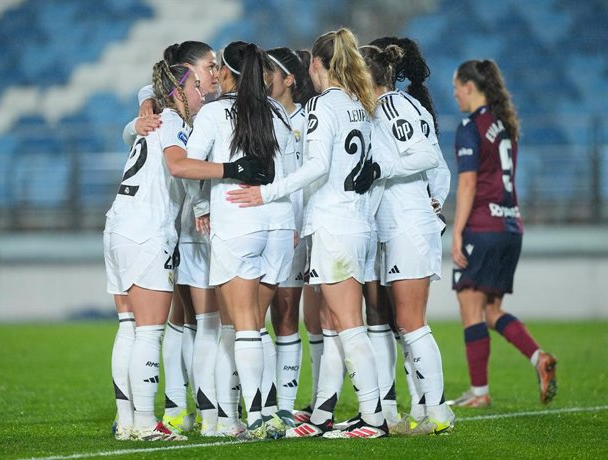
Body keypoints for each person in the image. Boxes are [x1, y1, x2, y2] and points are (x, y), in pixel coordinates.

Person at [228, 28, 388, 440]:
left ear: (315, 65)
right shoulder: (360, 103)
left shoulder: (323, 106)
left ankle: (373, 418)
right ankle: (322, 416)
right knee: (335, 324)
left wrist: (268, 191)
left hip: (335, 224)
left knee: (348, 324)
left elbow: (316, 167)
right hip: (357, 223)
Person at [168, 40, 297, 440]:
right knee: (257, 328)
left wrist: (213, 188)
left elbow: (184, 166)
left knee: (241, 329)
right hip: (279, 223)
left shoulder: (215, 112)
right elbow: (294, 170)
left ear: (226, 74)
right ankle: (270, 412)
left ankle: (253, 417)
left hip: (239, 222)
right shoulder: (277, 110)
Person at [117, 41, 222, 436]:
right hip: (151, 229)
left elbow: (142, 113)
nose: (213, 74)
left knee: (130, 325)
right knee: (153, 329)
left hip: (121, 223)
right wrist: (232, 169)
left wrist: (143, 107)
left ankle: (127, 420)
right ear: (185, 80)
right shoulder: (176, 120)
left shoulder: (158, 112)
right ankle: (148, 421)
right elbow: (179, 165)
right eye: (206, 70)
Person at [354, 43, 453, 435]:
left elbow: (426, 154)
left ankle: (439, 412)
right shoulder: (385, 108)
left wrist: (382, 167)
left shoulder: (393, 107)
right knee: (400, 323)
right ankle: (416, 409)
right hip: (396, 224)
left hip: (407, 225)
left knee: (411, 323)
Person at [449, 59, 557, 407]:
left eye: (456, 87)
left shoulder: (470, 127)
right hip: (511, 226)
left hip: (482, 227)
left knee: (469, 304)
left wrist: (457, 231)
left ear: (469, 86)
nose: (454, 94)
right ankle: (538, 357)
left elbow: (467, 184)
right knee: (492, 309)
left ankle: (479, 393)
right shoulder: (504, 125)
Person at [264, 46, 316, 423]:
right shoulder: (261, 115)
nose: (265, 77)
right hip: (260, 224)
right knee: (253, 317)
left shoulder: (308, 119)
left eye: (271, 71)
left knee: (285, 314)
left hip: (294, 228)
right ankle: (258, 401)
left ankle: (285, 403)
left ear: (290, 79)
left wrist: (299, 224)